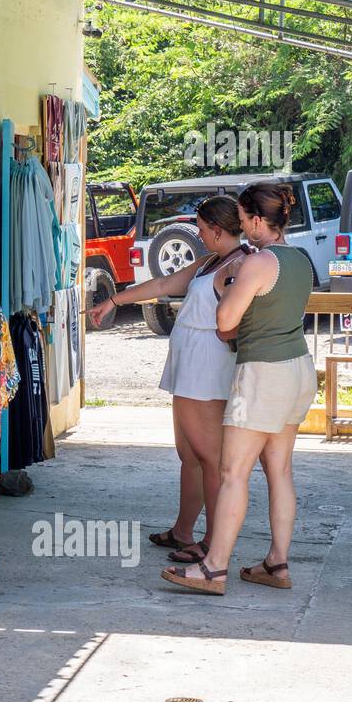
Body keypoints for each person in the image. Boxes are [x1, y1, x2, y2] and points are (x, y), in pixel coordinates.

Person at [163, 182, 316, 595]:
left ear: (255, 219)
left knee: (232, 472)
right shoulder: (300, 260)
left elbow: (225, 321)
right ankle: (277, 563)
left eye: (245, 217)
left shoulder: (257, 262)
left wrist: (221, 288)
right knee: (280, 470)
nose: (243, 225)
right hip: (299, 368)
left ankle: (213, 568)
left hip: (263, 373)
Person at [90, 196, 248, 565]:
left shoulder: (238, 264)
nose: (198, 234)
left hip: (207, 367)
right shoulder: (211, 261)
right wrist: (115, 300)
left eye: (201, 228)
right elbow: (163, 284)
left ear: (217, 230)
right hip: (190, 362)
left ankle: (212, 541)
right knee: (188, 454)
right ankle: (183, 529)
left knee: (210, 458)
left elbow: (235, 318)